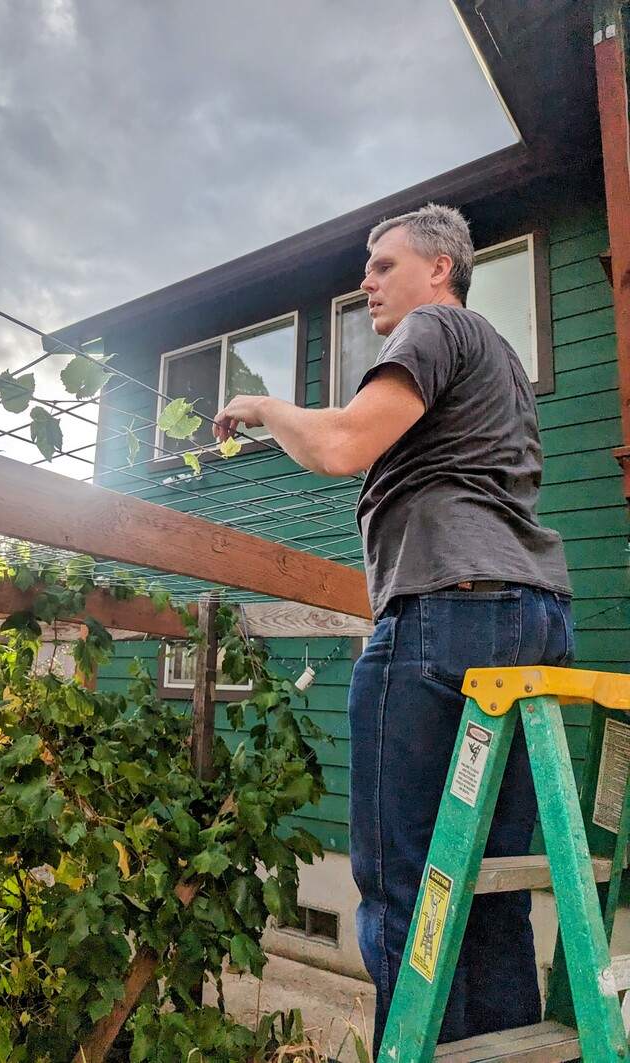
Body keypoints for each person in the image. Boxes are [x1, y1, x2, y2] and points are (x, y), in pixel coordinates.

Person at [214, 203, 573, 1053]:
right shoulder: (502, 361)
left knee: (404, 885)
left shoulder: (433, 329)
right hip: (530, 618)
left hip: (446, 619)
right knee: (488, 883)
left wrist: (264, 406)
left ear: (439, 268)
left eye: (382, 263)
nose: (366, 279)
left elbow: (341, 444)